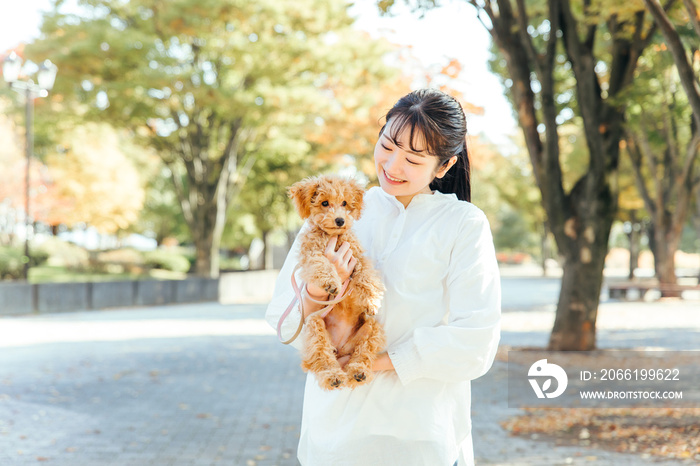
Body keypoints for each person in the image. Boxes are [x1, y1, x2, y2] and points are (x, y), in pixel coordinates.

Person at [266, 88, 501, 466]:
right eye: (387, 145)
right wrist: (316, 292)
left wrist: (372, 362)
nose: (392, 166)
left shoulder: (463, 225)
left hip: (420, 437)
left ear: (443, 167)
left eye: (413, 158)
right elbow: (283, 323)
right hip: (334, 438)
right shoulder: (338, 210)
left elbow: (477, 341)